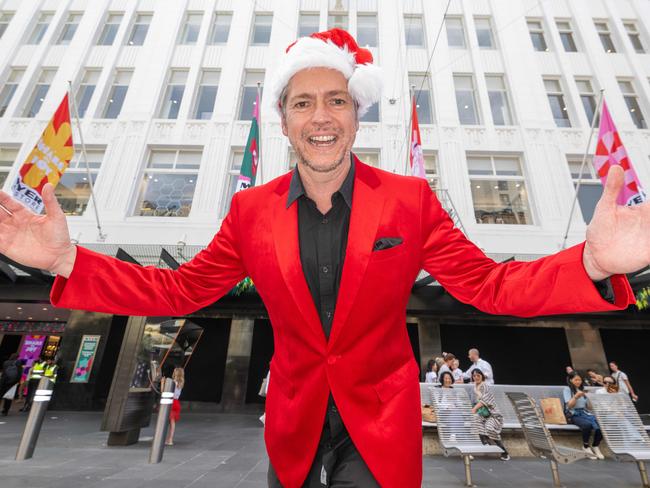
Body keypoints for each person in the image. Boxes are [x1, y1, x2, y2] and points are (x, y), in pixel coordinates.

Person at [0, 26, 642, 488]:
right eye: (302, 102)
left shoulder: (410, 201)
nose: (321, 116)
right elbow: (178, 293)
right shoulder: (251, 211)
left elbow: (491, 287)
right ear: (284, 120)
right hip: (294, 420)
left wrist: (590, 264)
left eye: (336, 100)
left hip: (381, 425)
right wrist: (66, 263)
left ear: (356, 116)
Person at [470, 369, 510, 461]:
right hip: (483, 414)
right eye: (474, 376)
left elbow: (485, 401)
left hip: (493, 414)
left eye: (478, 375)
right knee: (475, 420)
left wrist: (474, 409)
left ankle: (504, 452)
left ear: (482, 376)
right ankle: (485, 442)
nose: (476, 377)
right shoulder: (475, 387)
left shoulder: (485, 386)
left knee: (489, 427)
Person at [564, 372, 604, 460]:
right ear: (571, 380)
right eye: (576, 380)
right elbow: (569, 406)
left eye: (580, 380)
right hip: (573, 414)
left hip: (585, 413)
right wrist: (575, 397)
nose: (578, 382)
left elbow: (588, 407)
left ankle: (595, 446)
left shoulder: (582, 389)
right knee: (587, 425)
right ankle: (586, 446)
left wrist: (590, 399)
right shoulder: (567, 389)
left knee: (602, 425)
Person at [165, 367, 184, 446]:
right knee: (172, 422)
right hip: (176, 402)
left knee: (167, 421)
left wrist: (164, 382)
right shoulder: (181, 382)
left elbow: (166, 391)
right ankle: (169, 439)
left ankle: (169, 440)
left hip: (171, 402)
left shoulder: (173, 382)